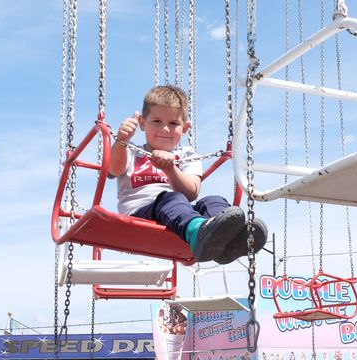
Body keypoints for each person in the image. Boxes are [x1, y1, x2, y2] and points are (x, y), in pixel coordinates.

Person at [108, 85, 267, 263]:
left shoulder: (186, 155)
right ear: (143, 123)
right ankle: (198, 232)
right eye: (157, 121)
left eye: (173, 123)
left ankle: (228, 243)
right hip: (139, 214)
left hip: (178, 213)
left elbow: (191, 192)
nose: (165, 129)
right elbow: (113, 169)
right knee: (170, 198)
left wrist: (170, 169)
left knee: (214, 200)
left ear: (185, 128)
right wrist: (122, 141)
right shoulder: (132, 151)